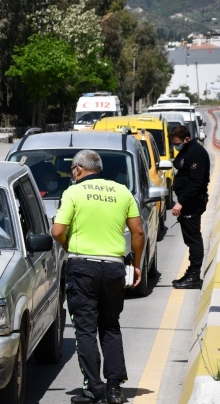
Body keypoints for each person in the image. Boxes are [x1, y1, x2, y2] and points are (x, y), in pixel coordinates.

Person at [51, 150, 144, 404]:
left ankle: (94, 388)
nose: (72, 174)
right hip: (114, 268)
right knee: (111, 326)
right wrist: (136, 264)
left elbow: (57, 230)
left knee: (85, 330)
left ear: (79, 169)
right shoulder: (122, 191)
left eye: (72, 170)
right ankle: (114, 389)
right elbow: (138, 233)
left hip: (82, 268)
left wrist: (70, 246)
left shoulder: (73, 193)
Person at [169, 125, 210, 289]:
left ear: (187, 139)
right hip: (188, 202)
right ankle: (191, 272)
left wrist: (181, 202)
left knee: (193, 239)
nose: (175, 145)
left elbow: (196, 183)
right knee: (189, 238)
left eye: (177, 142)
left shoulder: (196, 153)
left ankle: (194, 275)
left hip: (192, 203)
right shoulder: (188, 150)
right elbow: (180, 165)